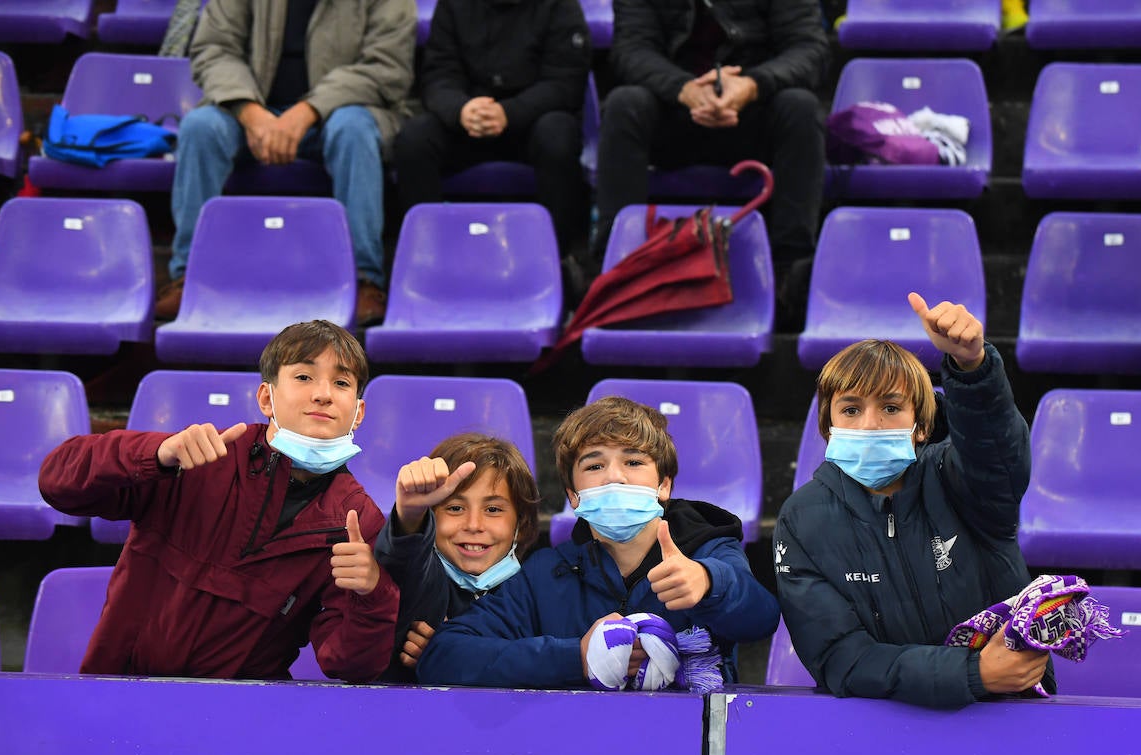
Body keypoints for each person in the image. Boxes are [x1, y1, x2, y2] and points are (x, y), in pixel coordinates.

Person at [38, 320, 400, 682]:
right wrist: (154, 454)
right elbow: (58, 482)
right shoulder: (195, 457)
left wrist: (372, 593)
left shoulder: (360, 524)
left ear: (358, 412)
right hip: (121, 690)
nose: (323, 394)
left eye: (341, 382)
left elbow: (348, 665)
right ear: (265, 398)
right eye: (304, 377)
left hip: (243, 714)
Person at [773, 293, 1052, 709]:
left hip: (1007, 712)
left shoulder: (962, 481)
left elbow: (996, 455)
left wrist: (972, 369)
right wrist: (973, 673)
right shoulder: (801, 519)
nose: (869, 424)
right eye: (850, 409)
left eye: (890, 406)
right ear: (828, 426)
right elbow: (840, 657)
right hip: (881, 729)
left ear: (921, 425)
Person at [417, 395, 779, 688]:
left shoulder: (708, 549)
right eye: (594, 466)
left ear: (663, 485)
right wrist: (577, 656)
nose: (615, 477)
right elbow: (445, 656)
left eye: (634, 462)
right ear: (573, 496)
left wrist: (709, 582)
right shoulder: (545, 574)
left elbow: (761, 619)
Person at [155, 0, 418, 326]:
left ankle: (364, 278)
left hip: (342, 112)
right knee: (199, 128)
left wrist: (307, 111)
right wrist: (250, 112)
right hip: (253, 112)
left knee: (353, 131)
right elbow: (215, 50)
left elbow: (385, 67)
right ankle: (190, 275)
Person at [594, 0, 830, 326]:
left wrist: (752, 85)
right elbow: (631, 50)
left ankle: (789, 274)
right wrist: (683, 88)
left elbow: (809, 49)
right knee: (624, 104)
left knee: (801, 108)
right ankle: (616, 266)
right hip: (674, 109)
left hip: (751, 108)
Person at [392, 0, 592, 263]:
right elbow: (438, 75)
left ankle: (557, 259)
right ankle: (428, 259)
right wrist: (460, 110)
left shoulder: (560, 6)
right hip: (468, 123)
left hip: (532, 121)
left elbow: (566, 83)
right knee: (414, 139)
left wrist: (510, 113)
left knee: (558, 136)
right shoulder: (453, 5)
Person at [371, 433, 541, 681]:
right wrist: (410, 517)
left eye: (493, 509)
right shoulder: (419, 582)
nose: (474, 525)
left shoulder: (539, 591)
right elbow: (403, 560)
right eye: (455, 508)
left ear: (521, 525)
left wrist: (448, 653)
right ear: (429, 516)